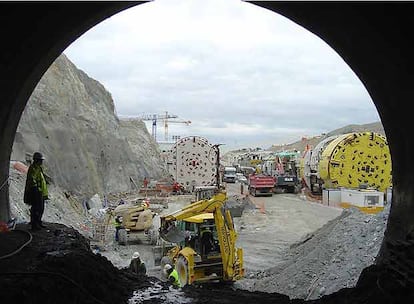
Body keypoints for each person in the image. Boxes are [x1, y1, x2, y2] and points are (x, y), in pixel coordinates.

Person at [24, 152, 49, 231]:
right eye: (40, 160)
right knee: (36, 208)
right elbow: (32, 179)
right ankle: (34, 225)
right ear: (37, 160)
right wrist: (36, 189)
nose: (42, 162)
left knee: (40, 208)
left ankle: (38, 222)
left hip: (40, 191)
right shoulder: (33, 168)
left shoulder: (39, 168)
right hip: (35, 191)